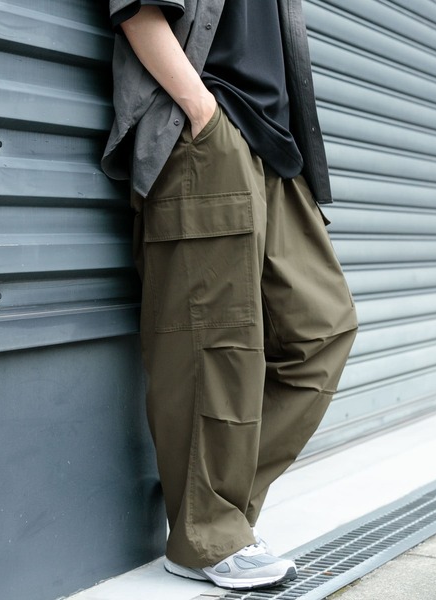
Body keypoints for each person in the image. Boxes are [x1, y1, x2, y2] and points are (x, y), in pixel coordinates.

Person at [102, 0, 358, 591]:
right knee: (215, 345)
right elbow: (139, 9)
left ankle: (208, 505)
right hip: (205, 133)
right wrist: (200, 110)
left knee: (322, 330)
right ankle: (206, 536)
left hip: (274, 150)